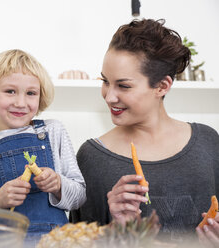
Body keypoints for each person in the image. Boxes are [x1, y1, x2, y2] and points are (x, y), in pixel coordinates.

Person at [70, 19, 219, 246]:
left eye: (124, 86)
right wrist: (116, 229)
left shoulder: (208, 144)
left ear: (162, 86)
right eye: (105, 81)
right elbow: (77, 241)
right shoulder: (92, 157)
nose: (109, 96)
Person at [0, 49, 86, 237]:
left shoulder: (53, 131)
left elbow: (80, 197)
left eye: (31, 93)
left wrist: (58, 184)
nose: (20, 102)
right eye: (10, 91)